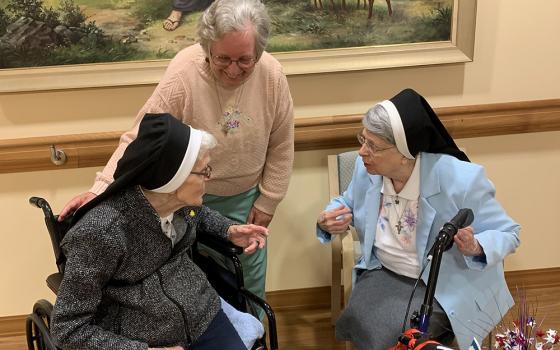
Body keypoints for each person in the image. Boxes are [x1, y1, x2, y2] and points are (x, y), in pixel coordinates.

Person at [59, 0, 294, 318]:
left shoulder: (272, 75)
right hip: (185, 198)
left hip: (245, 198)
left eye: (244, 60)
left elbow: (281, 143)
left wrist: (269, 201)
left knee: (248, 283)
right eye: (222, 58)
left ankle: (250, 336)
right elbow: (141, 138)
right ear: (207, 46)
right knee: (189, 284)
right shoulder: (186, 70)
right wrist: (101, 189)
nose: (233, 70)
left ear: (260, 53)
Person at [316, 89, 520, 350]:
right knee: (363, 321)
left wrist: (475, 246)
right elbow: (347, 202)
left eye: (373, 146)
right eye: (362, 139)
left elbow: (509, 233)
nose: (362, 152)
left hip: (444, 285)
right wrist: (329, 218)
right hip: (383, 272)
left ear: (405, 152)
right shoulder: (367, 170)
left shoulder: (461, 180)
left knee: (397, 337)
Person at [51, 113, 269, 350]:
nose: (210, 176)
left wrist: (229, 230)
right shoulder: (102, 233)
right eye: (204, 171)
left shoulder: (180, 205)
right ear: (172, 180)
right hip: (145, 337)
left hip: (203, 313)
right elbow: (67, 329)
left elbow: (199, 214)